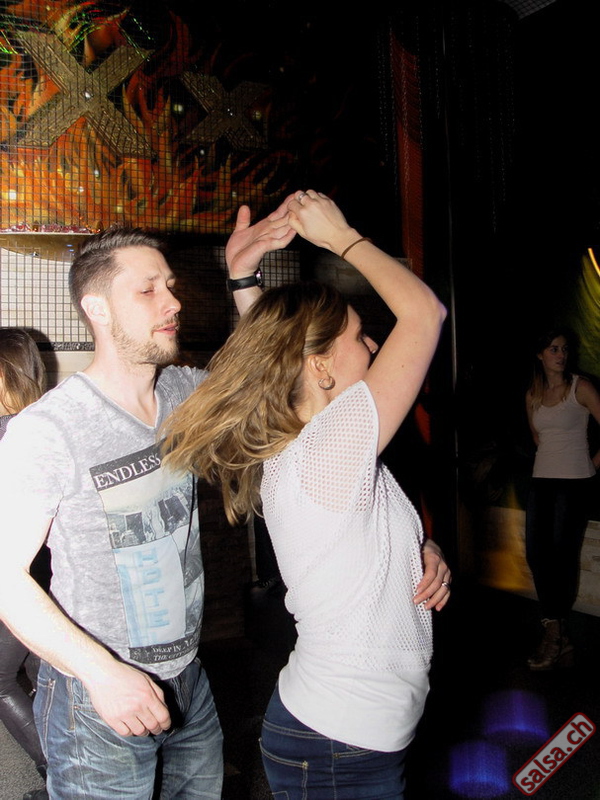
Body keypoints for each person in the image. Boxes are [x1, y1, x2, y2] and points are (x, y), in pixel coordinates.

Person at [162, 190, 451, 799]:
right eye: (360, 336)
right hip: (340, 748)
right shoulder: (326, 448)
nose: (374, 347)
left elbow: (280, 353)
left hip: (341, 737)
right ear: (321, 368)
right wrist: (342, 237)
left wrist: (243, 278)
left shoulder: (301, 441)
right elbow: (424, 314)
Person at [0, 206, 297, 799]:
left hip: (188, 678)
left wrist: (243, 278)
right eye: (148, 289)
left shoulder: (183, 393)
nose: (173, 302)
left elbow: (269, 382)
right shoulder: (50, 428)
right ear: (98, 309)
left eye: (170, 285)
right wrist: (102, 674)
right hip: (96, 697)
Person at [525, 328, 600, 670]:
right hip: (542, 480)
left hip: (574, 482)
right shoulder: (533, 394)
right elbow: (538, 438)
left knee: (562, 555)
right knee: (537, 553)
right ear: (540, 354)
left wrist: (593, 464)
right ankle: (556, 630)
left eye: (564, 349)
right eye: (553, 349)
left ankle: (554, 634)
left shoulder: (580, 387)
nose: (560, 355)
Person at [0, 327, 50, 800]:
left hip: (17, 585)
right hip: (48, 581)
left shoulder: (7, 432)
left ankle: (56, 772)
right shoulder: (46, 424)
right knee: (43, 677)